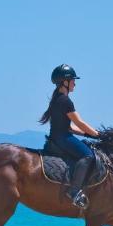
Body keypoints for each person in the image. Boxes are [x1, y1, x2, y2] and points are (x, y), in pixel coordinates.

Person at [39, 64, 100, 209]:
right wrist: (98, 134)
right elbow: (79, 122)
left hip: (58, 136)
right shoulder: (65, 101)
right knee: (88, 156)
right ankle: (74, 192)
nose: (74, 83)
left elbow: (69, 126)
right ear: (64, 82)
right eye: (72, 80)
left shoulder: (57, 99)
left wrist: (87, 134)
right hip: (63, 139)